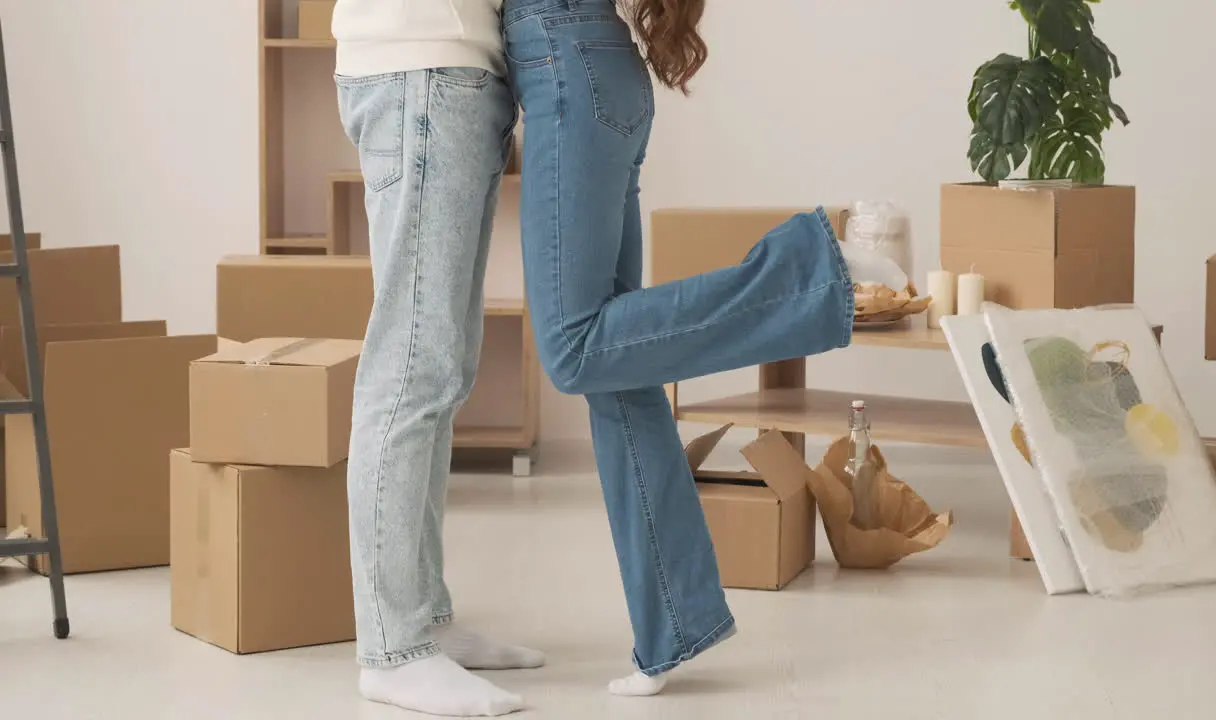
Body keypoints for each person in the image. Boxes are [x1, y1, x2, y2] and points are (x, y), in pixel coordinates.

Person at [504, 0, 858, 700]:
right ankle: (675, 623)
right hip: (590, 67)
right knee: (620, 365)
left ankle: (806, 275)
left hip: (567, 67)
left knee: (575, 348)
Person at [332, 0, 538, 717]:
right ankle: (392, 650)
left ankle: (423, 618)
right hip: (423, 69)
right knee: (413, 368)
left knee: (440, 369)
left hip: (440, 71)